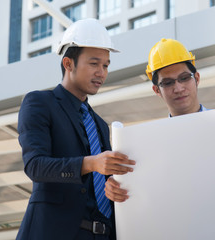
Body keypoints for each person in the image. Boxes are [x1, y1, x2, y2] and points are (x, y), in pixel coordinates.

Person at [105, 38, 215, 239]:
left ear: (197, 79)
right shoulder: (146, 145)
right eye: (168, 83)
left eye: (184, 78)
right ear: (156, 90)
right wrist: (114, 190)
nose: (178, 88)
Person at [16, 18, 135, 240]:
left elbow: (103, 182)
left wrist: (113, 188)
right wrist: (90, 163)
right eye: (94, 63)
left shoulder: (99, 124)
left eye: (106, 65)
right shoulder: (40, 103)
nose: (101, 72)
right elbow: (35, 166)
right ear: (68, 64)